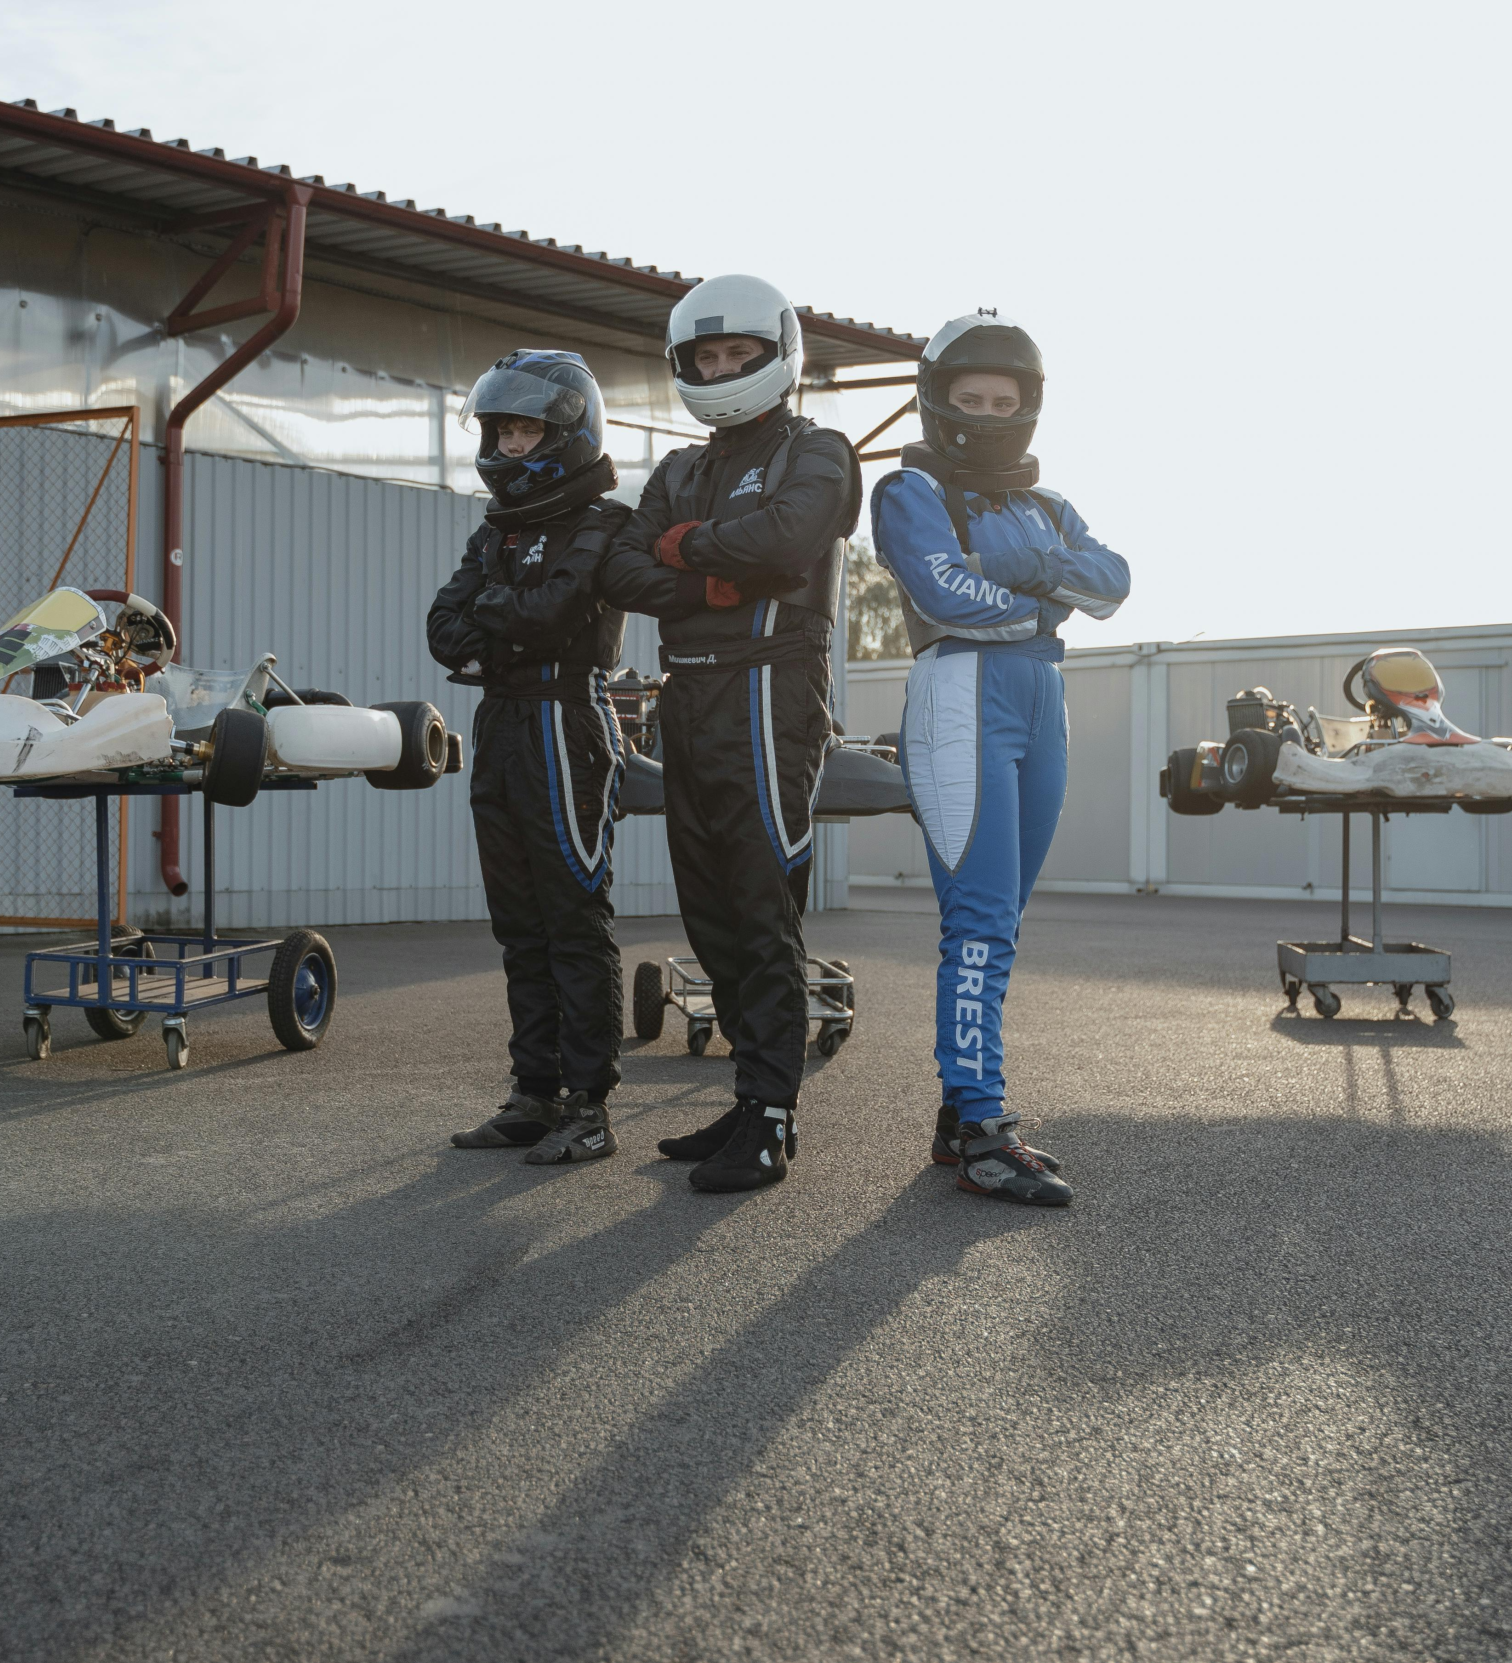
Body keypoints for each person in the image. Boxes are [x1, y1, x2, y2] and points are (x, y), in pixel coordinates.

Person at [603, 276, 861, 1193]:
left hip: (769, 689)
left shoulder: (817, 448)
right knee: (710, 915)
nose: (719, 371)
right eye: (704, 358)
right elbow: (619, 571)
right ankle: (748, 1100)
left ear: (776, 355)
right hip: (687, 694)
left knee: (761, 910)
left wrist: (681, 549)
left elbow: (788, 540)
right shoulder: (677, 470)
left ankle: (773, 1118)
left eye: (736, 355)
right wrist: (719, 573)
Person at [869, 310, 1128, 1207]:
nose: (985, 414)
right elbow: (944, 593)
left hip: (1041, 698)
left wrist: (1016, 566)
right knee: (977, 923)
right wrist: (1045, 592)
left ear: (1028, 408)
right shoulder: (909, 489)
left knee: (1002, 923)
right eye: (969, 399)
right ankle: (983, 1130)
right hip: (959, 694)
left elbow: (1114, 580)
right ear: (936, 400)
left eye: (1002, 402)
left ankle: (959, 1114)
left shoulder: (1046, 504)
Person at [428, 351, 631, 1166]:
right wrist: (502, 616)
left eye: (528, 431)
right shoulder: (495, 530)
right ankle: (534, 1094)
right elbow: (441, 630)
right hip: (500, 722)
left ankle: (590, 1106)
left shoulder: (603, 523)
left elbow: (550, 616)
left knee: (573, 921)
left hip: (564, 722)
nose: (512, 445)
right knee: (519, 926)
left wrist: (493, 615)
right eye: (503, 430)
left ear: (568, 434)